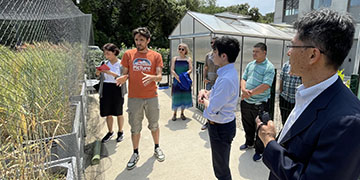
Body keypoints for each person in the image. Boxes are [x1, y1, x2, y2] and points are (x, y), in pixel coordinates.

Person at [256, 9, 360, 180]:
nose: (288, 53)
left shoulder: (348, 122)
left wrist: (269, 141)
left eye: (292, 46)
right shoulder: (310, 91)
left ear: (313, 54)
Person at [115, 27, 165, 170]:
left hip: (151, 97)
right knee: (135, 127)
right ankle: (135, 153)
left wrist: (153, 78)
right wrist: (124, 77)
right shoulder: (128, 55)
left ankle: (157, 147)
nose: (138, 42)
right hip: (134, 98)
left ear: (148, 40)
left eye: (141, 40)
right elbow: (125, 73)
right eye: (136, 40)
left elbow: (160, 76)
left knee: (154, 125)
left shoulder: (156, 56)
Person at [198, 36, 240, 180]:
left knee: (221, 169)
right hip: (221, 125)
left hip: (220, 128)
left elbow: (212, 109)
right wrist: (206, 92)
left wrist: (204, 100)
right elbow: (216, 94)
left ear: (223, 56)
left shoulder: (226, 79)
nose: (212, 54)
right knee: (220, 164)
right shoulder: (225, 73)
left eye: (214, 51)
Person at [239, 42, 275, 162]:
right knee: (247, 124)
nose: (254, 54)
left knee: (260, 128)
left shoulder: (269, 67)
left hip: (259, 103)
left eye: (257, 51)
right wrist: (244, 90)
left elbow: (266, 85)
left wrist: (250, 93)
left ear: (264, 52)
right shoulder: (250, 64)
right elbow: (243, 78)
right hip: (246, 102)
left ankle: (259, 151)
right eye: (253, 51)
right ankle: (249, 143)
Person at [95, 43, 127, 143]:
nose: (106, 56)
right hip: (106, 88)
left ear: (114, 52)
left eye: (108, 53)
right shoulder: (104, 63)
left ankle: (120, 132)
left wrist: (110, 73)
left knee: (118, 112)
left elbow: (123, 78)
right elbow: (97, 76)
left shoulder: (121, 64)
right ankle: (110, 132)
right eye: (105, 53)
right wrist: (98, 72)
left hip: (117, 88)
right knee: (108, 112)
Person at [170, 43, 193, 121]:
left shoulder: (188, 59)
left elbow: (191, 69)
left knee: (184, 96)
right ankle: (174, 114)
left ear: (185, 50)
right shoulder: (175, 59)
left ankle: (182, 113)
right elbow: (172, 69)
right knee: (176, 97)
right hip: (176, 80)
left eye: (182, 49)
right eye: (179, 49)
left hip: (185, 80)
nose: (180, 50)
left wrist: (184, 75)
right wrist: (177, 77)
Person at [201, 37, 219, 130]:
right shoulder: (208, 55)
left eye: (214, 42)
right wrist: (204, 78)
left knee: (217, 102)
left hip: (218, 83)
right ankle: (207, 122)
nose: (212, 44)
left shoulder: (221, 55)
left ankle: (216, 121)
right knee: (207, 101)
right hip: (209, 82)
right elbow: (206, 67)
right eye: (211, 42)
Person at [279, 60, 302, 125]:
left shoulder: (303, 66)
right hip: (285, 98)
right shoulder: (286, 65)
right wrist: (280, 92)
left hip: (297, 101)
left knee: (296, 122)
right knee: (285, 121)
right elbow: (281, 79)